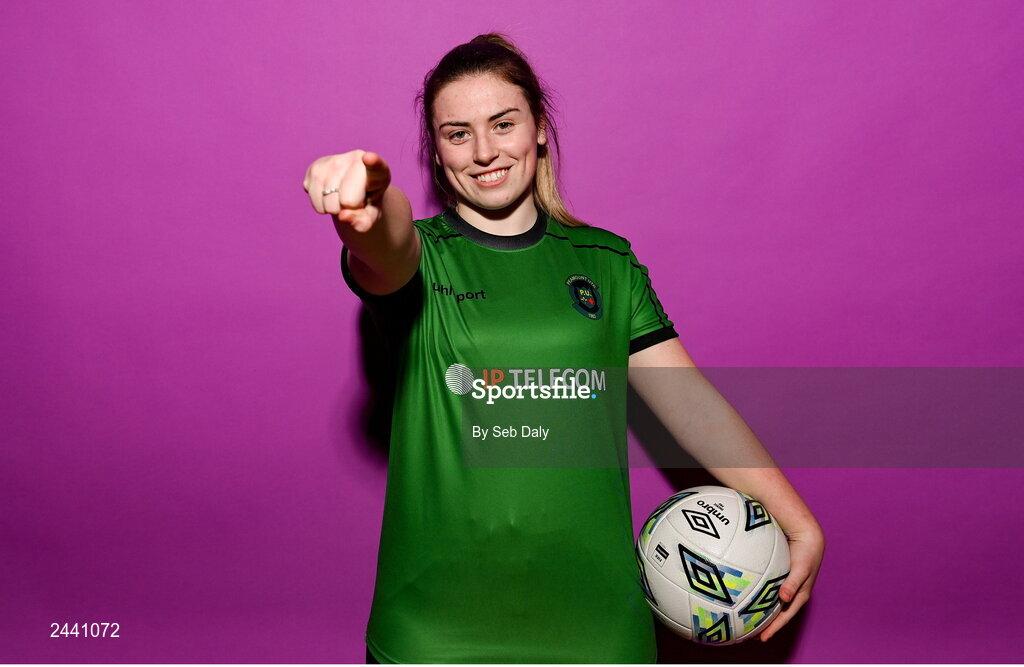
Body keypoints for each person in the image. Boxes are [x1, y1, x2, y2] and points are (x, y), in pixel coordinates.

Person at [303, 33, 825, 664]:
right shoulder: (424, 255)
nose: (485, 151)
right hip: (435, 632)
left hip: (597, 630)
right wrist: (370, 195)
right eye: (457, 133)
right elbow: (385, 245)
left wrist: (796, 521)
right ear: (437, 155)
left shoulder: (606, 262)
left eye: (503, 124)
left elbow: (691, 407)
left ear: (540, 129)